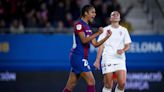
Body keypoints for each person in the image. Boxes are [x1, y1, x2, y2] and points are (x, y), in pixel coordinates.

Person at [63, 5, 112, 92]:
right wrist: (98, 33)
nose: (95, 14)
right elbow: (84, 40)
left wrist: (106, 37)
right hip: (78, 57)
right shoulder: (79, 25)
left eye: (95, 12)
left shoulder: (88, 27)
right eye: (92, 12)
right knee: (91, 81)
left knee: (70, 86)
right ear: (86, 13)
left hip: (81, 58)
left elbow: (95, 44)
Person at [94, 11, 132, 92]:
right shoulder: (105, 30)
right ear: (110, 19)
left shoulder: (124, 30)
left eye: (117, 14)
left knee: (122, 83)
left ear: (120, 18)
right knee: (108, 85)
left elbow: (128, 45)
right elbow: (101, 46)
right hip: (108, 58)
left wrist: (123, 50)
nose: (115, 15)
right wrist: (97, 60)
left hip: (120, 59)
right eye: (113, 15)